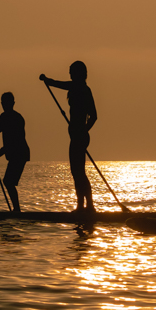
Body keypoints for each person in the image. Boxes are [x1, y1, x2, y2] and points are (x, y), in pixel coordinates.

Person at [40, 61, 97, 213]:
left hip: (80, 137)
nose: (70, 74)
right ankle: (82, 206)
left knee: (79, 172)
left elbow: (94, 116)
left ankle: (88, 206)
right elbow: (61, 84)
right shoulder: (77, 88)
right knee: (76, 172)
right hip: (76, 136)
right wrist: (48, 81)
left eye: (72, 72)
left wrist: (83, 130)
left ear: (79, 73)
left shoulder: (83, 89)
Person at [0, 92, 31, 213]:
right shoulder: (4, 117)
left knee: (8, 181)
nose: (5, 106)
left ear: (12, 103)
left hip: (20, 154)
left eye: (7, 103)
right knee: (8, 181)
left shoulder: (17, 119)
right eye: (3, 103)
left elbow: (11, 144)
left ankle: (17, 210)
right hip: (15, 154)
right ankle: (16, 210)